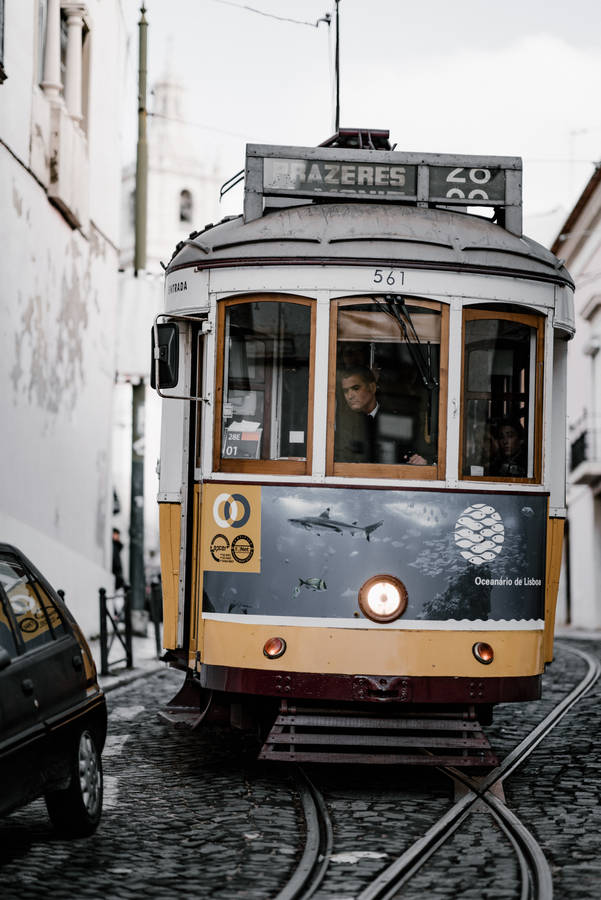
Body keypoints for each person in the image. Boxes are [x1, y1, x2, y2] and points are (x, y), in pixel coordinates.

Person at [335, 366, 428, 465]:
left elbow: (417, 451)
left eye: (356, 388)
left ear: (372, 388)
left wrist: (422, 461)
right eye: (346, 391)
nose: (350, 396)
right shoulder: (343, 422)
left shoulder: (396, 416)